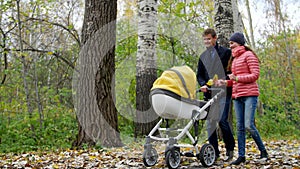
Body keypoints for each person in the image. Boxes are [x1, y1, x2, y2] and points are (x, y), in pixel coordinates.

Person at [217, 32, 269, 165]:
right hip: (237, 95)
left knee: (248, 125)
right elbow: (234, 80)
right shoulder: (234, 59)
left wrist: (237, 78)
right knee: (240, 127)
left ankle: (263, 151)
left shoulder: (249, 55)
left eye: (232, 42)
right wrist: (225, 82)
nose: (230, 44)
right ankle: (241, 156)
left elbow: (255, 75)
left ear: (239, 42)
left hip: (250, 95)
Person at [196, 28, 235, 161]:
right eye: (204, 39)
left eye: (208, 39)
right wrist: (202, 84)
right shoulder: (203, 56)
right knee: (210, 123)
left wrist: (223, 80)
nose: (206, 41)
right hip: (209, 94)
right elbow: (199, 75)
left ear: (215, 38)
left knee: (223, 120)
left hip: (224, 92)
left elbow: (231, 71)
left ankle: (230, 149)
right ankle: (214, 152)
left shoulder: (226, 52)